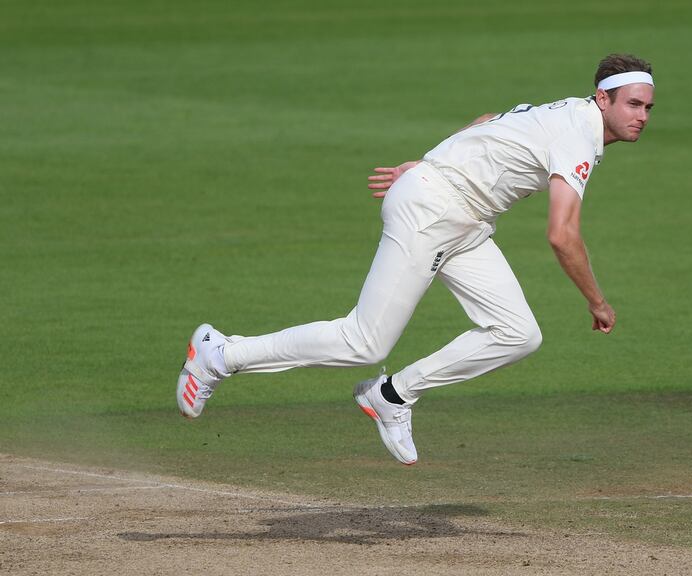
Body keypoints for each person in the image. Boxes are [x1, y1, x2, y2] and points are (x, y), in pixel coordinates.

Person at [177, 53, 655, 465]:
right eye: (632, 104)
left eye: (648, 107)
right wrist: (597, 301)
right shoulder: (580, 134)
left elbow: (490, 121)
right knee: (364, 343)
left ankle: (392, 394)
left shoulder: (567, 113)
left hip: (463, 219)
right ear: (602, 98)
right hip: (434, 210)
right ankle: (220, 354)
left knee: (518, 334)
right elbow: (561, 234)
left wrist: (431, 161)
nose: (642, 116)